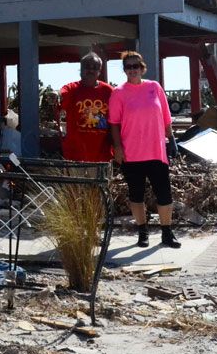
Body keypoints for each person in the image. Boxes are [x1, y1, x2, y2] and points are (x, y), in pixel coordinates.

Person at [108, 50, 181, 248]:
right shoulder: (118, 93)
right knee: (136, 195)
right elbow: (114, 123)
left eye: (135, 66)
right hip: (131, 154)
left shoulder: (154, 88)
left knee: (164, 194)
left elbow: (166, 117)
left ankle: (167, 233)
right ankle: (143, 232)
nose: (132, 70)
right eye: (128, 67)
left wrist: (171, 139)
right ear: (125, 70)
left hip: (156, 152)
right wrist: (117, 147)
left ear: (142, 68)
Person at [55, 52, 113, 163]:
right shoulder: (71, 88)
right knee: (78, 181)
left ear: (99, 71)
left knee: (102, 181)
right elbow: (60, 96)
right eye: (87, 67)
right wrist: (56, 96)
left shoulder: (109, 91)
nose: (91, 70)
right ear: (80, 69)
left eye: (95, 68)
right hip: (75, 154)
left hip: (102, 154)